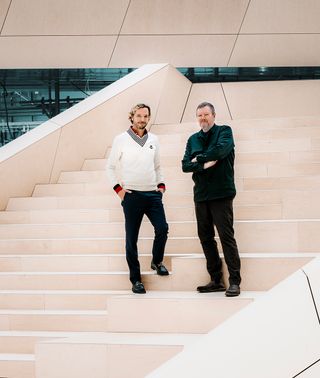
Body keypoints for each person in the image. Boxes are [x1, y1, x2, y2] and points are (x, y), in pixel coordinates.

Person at [107, 103, 169, 294]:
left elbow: (157, 165)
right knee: (131, 239)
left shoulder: (154, 140)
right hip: (132, 195)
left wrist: (161, 185)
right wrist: (119, 191)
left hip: (152, 194)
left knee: (162, 229)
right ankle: (135, 280)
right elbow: (110, 167)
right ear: (132, 117)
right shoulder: (121, 139)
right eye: (139, 116)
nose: (142, 119)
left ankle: (156, 261)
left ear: (148, 118)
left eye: (145, 116)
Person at [182, 102, 241, 297]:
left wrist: (197, 160)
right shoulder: (193, 139)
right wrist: (205, 164)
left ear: (213, 115)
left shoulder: (225, 132)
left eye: (206, 115)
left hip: (221, 193)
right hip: (201, 195)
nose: (203, 118)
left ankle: (234, 281)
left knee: (226, 237)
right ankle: (216, 280)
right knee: (205, 238)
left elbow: (220, 152)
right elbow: (184, 166)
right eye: (199, 115)